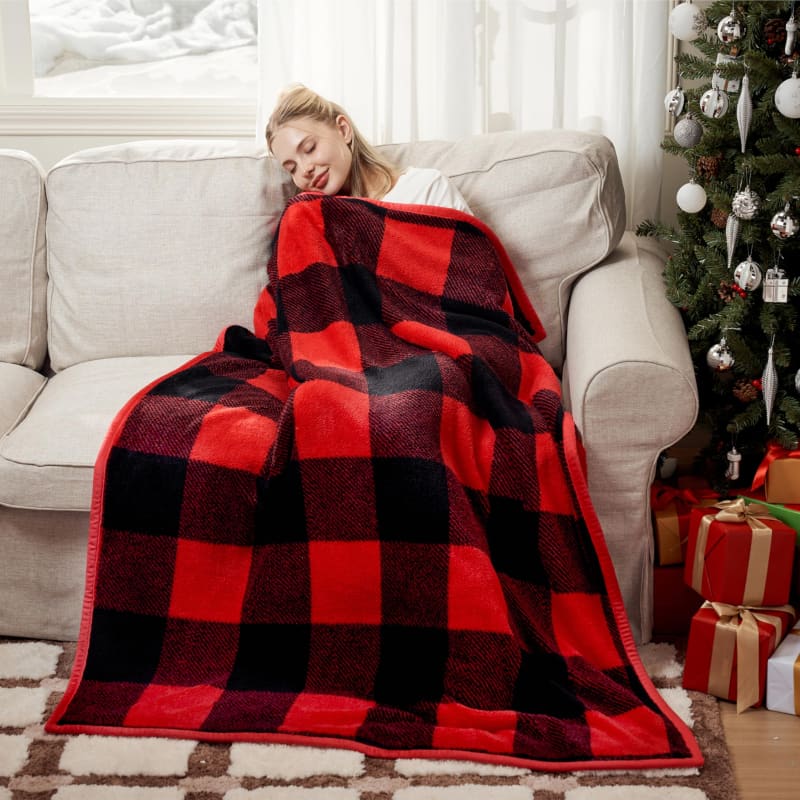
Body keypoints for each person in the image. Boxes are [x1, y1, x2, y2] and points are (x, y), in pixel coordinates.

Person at [266, 84, 472, 214]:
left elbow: (474, 271)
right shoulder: (316, 220)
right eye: (291, 168)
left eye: (310, 148)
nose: (304, 170)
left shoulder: (426, 189)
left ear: (343, 130)